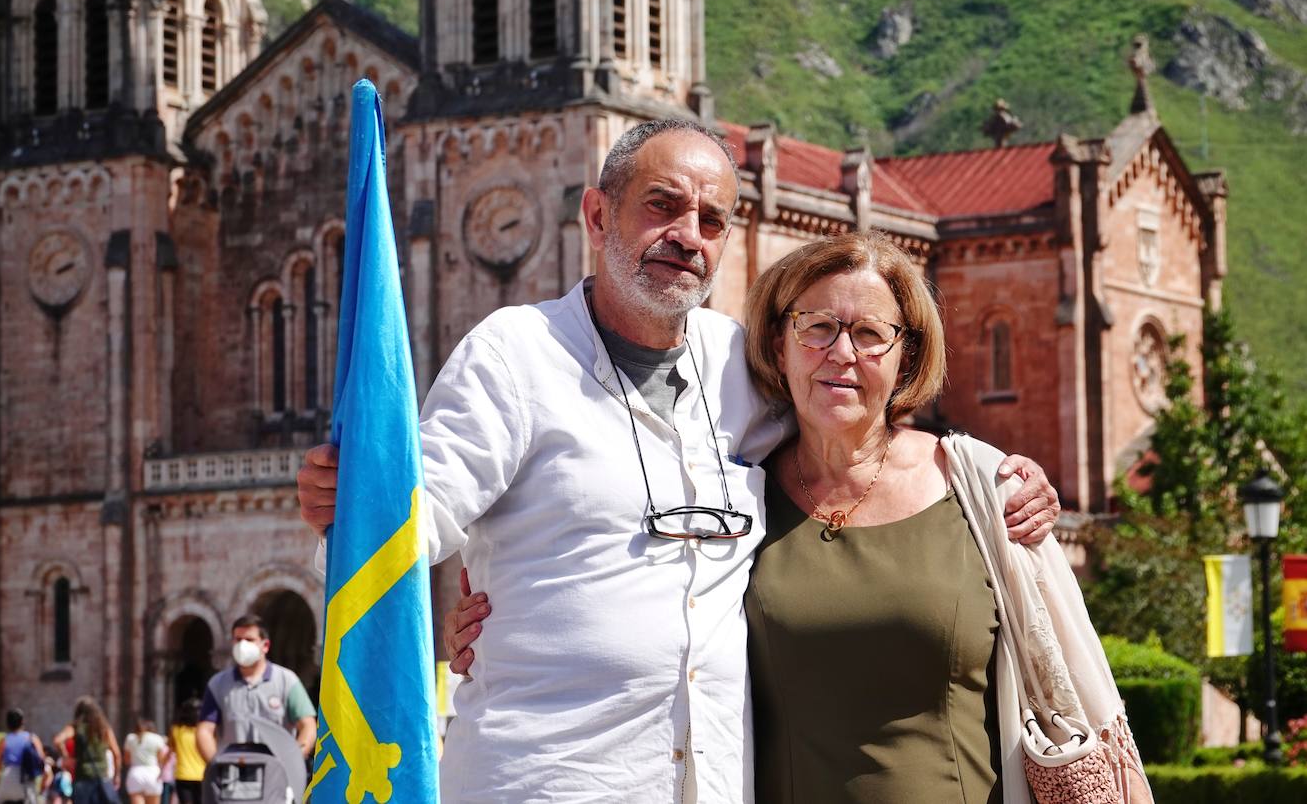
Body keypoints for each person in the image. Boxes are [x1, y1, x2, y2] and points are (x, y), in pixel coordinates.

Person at [297, 118, 1060, 803]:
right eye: (661, 206)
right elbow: (416, 514)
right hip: (544, 780)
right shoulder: (512, 355)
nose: (687, 234)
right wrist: (352, 502)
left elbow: (851, 436)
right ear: (598, 216)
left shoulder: (744, 368)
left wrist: (1000, 476)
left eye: (711, 220)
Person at [734, 232, 1147, 800]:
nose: (842, 353)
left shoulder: (983, 488)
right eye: (817, 326)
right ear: (780, 343)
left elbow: (1067, 671)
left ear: (906, 358)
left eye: (870, 334)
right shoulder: (735, 490)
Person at [196, 615, 317, 762]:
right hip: (232, 774)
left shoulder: (286, 680)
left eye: (249, 640)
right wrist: (216, 764)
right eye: (238, 639)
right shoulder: (218, 683)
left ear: (265, 645)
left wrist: (295, 760)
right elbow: (205, 729)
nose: (242, 645)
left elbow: (307, 724)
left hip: (277, 773)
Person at [53, 697, 122, 804]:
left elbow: (58, 741)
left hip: (83, 777)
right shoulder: (104, 728)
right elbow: (116, 754)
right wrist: (117, 775)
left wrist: (66, 757)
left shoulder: (75, 728)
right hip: (101, 777)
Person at [0, 708, 45, 804]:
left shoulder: (4, 741)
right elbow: (41, 760)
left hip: (8, 779)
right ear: (22, 721)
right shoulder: (32, 738)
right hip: (26, 779)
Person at [121, 718, 169, 804]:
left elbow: (126, 760)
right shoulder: (157, 738)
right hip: (153, 773)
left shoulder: (131, 738)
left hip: (135, 773)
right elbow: (161, 759)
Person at [167, 700, 204, 804]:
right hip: (202, 774)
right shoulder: (204, 732)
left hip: (183, 774)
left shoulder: (176, 730)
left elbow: (171, 749)